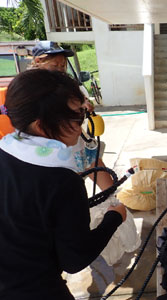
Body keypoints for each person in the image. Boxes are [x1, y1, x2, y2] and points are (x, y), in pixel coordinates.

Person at [0, 69, 127, 300]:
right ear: (41, 125)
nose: (81, 125)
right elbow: (75, 259)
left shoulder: (6, 153)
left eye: (82, 113)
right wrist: (114, 218)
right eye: (77, 117)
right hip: (37, 289)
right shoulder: (61, 180)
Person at [30, 41, 113, 191]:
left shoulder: (66, 83)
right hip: (52, 146)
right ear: (38, 62)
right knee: (69, 183)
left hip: (76, 139)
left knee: (92, 161)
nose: (61, 69)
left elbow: (78, 99)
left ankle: (115, 197)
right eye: (55, 65)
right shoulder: (31, 87)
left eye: (63, 65)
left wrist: (83, 103)